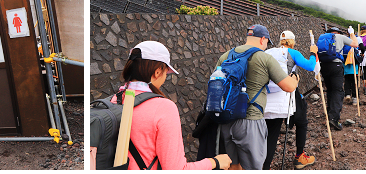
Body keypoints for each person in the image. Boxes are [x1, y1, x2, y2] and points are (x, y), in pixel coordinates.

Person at [110, 41, 231, 170]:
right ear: (157, 72)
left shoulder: (115, 99)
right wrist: (215, 162)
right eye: (165, 72)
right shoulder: (163, 107)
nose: (164, 78)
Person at [210, 25, 299, 170]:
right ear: (263, 39)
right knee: (254, 167)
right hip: (251, 121)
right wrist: (295, 78)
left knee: (233, 166)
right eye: (266, 42)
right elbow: (288, 86)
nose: (265, 46)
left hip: (226, 119)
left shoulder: (226, 56)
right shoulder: (264, 58)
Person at [262, 31, 318, 170]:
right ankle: (300, 156)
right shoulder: (293, 53)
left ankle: (264, 165)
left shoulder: (269, 52)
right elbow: (311, 66)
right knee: (302, 121)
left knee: (271, 132)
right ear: (292, 41)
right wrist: (313, 53)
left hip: (268, 96)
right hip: (287, 92)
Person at [317, 25, 359, 131]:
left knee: (330, 90)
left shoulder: (322, 37)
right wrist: (352, 33)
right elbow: (355, 44)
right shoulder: (340, 37)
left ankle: (329, 114)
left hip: (323, 66)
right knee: (338, 91)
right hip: (336, 65)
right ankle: (334, 119)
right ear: (338, 32)